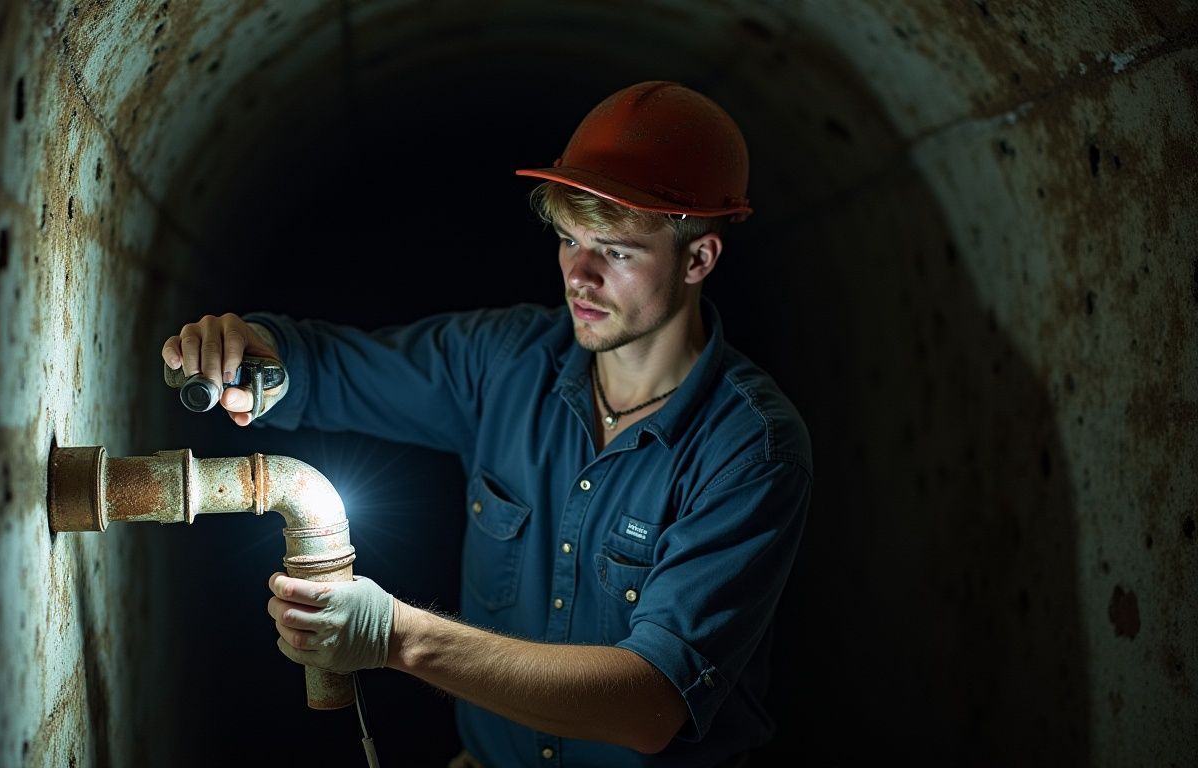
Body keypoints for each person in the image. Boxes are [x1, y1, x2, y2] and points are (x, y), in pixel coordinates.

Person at [162, 81, 811, 767]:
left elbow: (648, 703)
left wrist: (396, 635)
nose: (579, 276)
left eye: (616, 252)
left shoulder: (750, 449)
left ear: (699, 258)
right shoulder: (506, 362)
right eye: (567, 239)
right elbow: (331, 368)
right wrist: (252, 356)